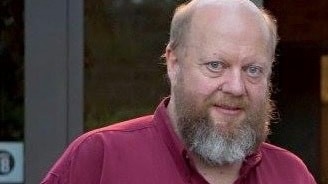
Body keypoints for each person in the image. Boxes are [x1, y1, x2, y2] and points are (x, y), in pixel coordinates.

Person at [41, 0, 317, 183]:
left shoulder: (290, 175)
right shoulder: (100, 159)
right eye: (215, 65)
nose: (236, 87)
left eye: (253, 70)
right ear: (174, 63)